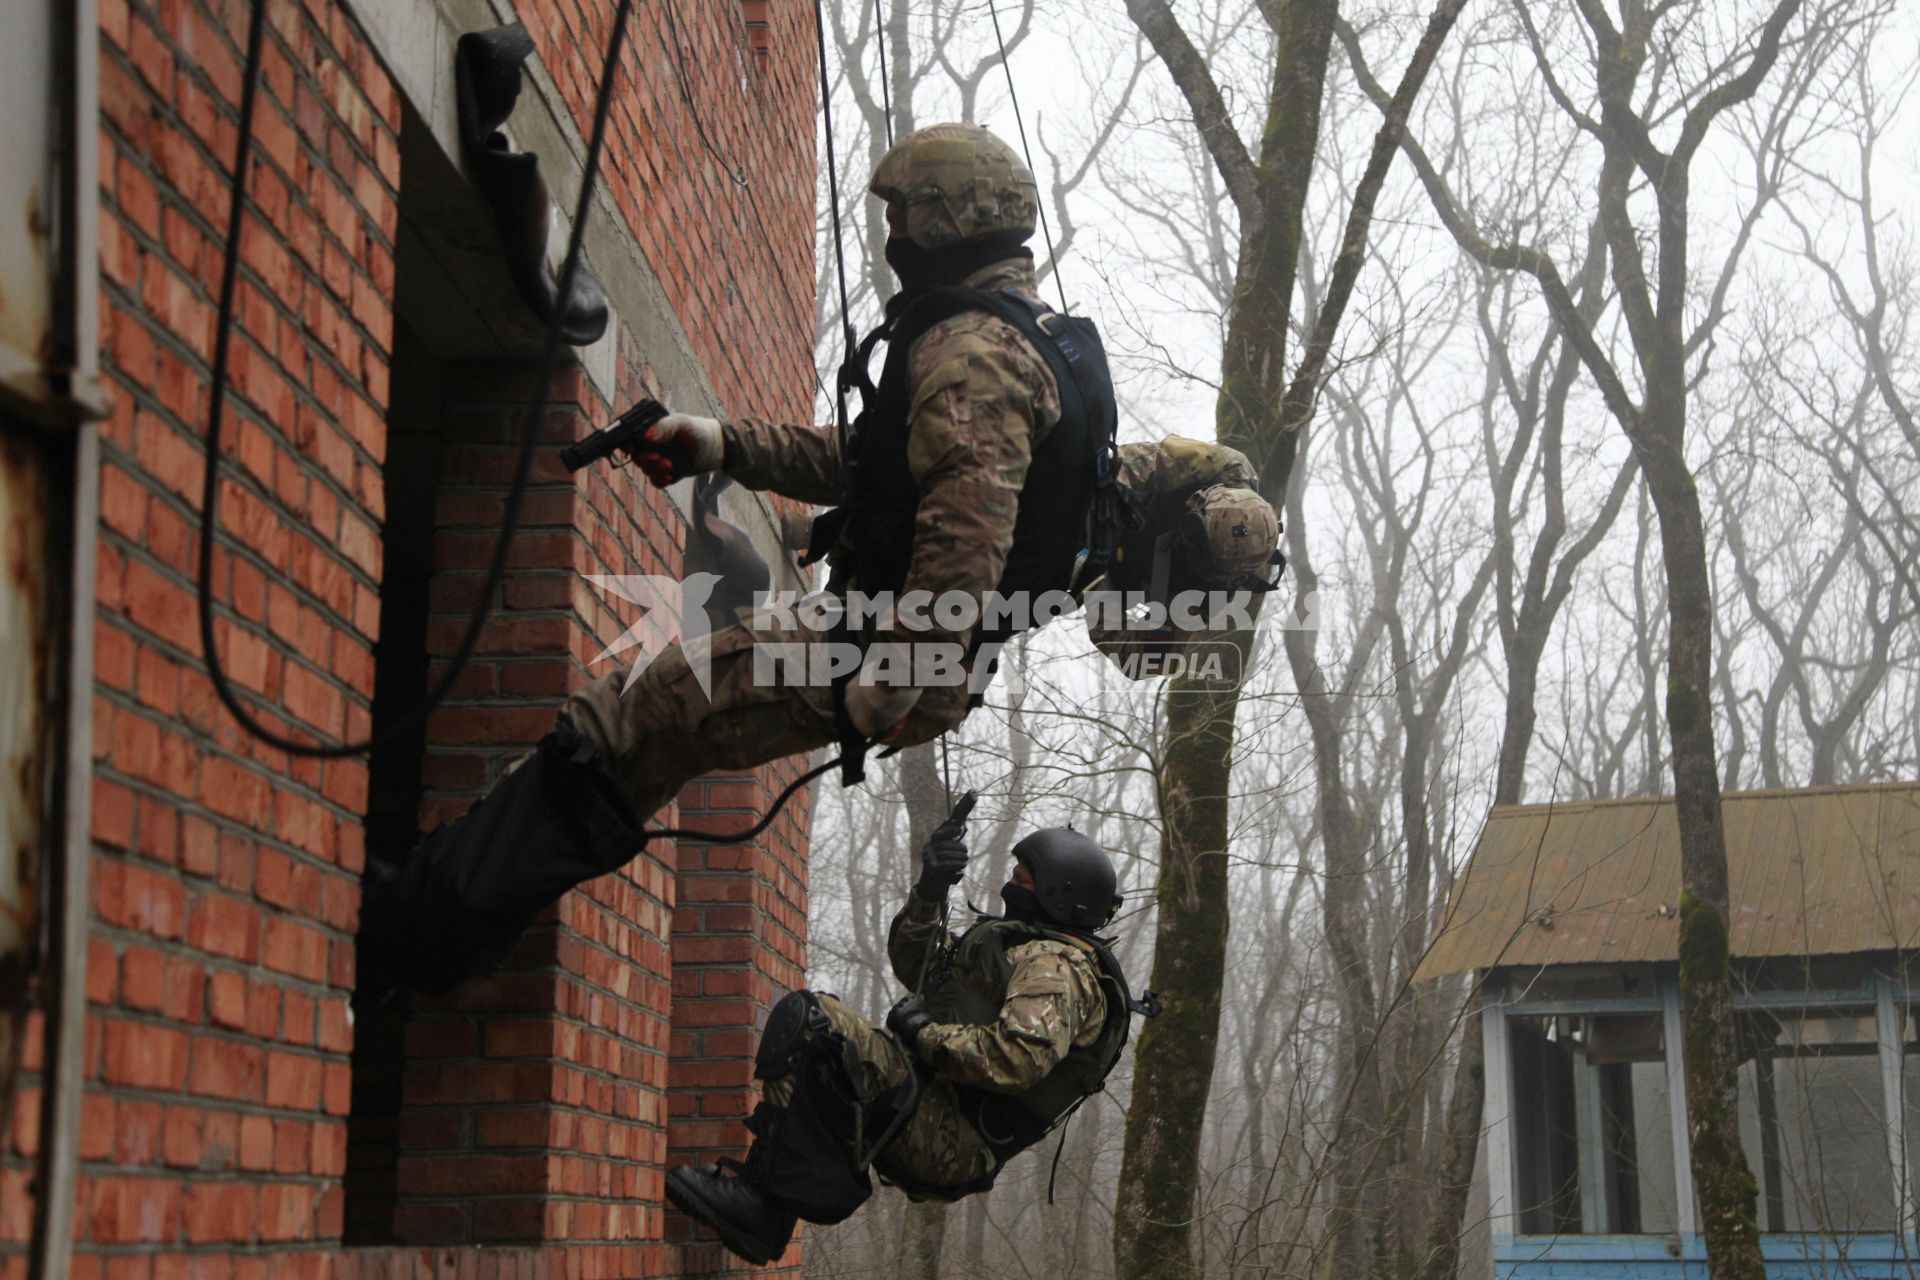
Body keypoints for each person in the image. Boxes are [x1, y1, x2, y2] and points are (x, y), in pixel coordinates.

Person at [356, 124, 1276, 995]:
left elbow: (966, 541)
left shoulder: (975, 352)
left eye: (902, 216)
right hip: (900, 651)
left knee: (628, 718)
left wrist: (896, 670)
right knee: (645, 737)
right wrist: (720, 443)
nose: (891, 238)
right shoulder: (1025, 343)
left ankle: (413, 924)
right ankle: (455, 928)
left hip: (883, 648)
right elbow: (877, 460)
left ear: (947, 220)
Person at [663, 811, 1153, 1266]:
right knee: (822, 1039)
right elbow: (914, 966)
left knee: (813, 1022)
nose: (1016, 873)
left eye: (1028, 869)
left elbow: (1016, 1059)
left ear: (1061, 888)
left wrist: (923, 1033)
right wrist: (931, 887)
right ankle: (772, 1204)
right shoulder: (1016, 944)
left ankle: (764, 1208)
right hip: (932, 1108)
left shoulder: (1057, 966)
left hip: (955, 1139)